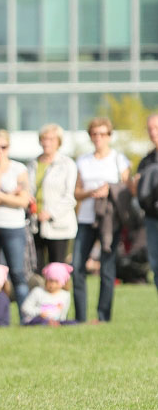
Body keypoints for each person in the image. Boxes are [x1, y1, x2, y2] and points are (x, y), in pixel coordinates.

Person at [71, 117, 131, 323]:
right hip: (86, 219)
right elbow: (76, 192)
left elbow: (127, 189)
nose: (98, 138)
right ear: (90, 136)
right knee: (78, 266)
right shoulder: (83, 161)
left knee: (107, 268)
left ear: (109, 136)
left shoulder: (118, 159)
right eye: (94, 134)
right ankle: (80, 317)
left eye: (102, 134)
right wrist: (91, 193)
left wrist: (109, 190)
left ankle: (103, 317)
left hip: (109, 221)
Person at [0, 130, 30, 315]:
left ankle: (26, 314)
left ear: (9, 147)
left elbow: (23, 201)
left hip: (14, 227)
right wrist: (9, 195)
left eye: (3, 146)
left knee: (17, 273)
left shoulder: (19, 169)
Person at [30, 124, 78, 271]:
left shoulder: (67, 164)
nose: (47, 143)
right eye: (44, 139)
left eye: (51, 139)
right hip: (35, 223)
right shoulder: (32, 164)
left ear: (58, 142)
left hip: (58, 224)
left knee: (56, 270)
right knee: (36, 268)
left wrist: (50, 212)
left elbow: (70, 197)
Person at [135, 113, 158, 294]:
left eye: (156, 128)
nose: (153, 132)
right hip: (152, 218)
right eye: (150, 129)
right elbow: (139, 193)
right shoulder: (146, 161)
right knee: (156, 264)